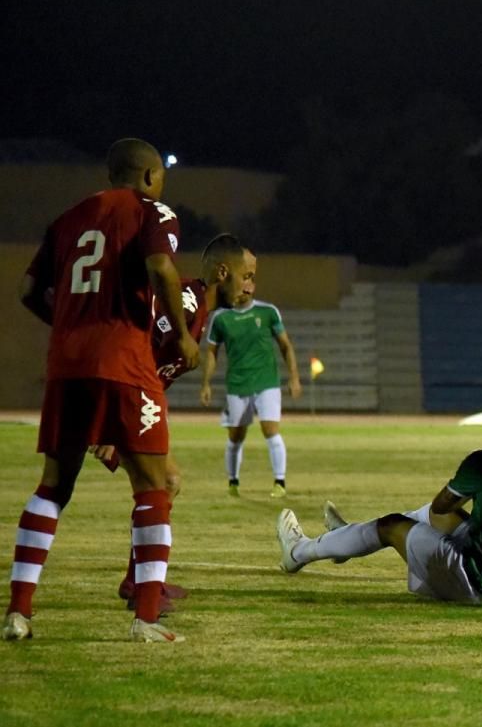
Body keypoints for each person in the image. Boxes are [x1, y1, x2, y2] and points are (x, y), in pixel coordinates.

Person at [5, 138, 197, 643]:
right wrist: (181, 334)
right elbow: (160, 269)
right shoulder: (150, 211)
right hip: (126, 363)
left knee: (53, 486)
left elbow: (28, 292)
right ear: (151, 176)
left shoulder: (68, 217)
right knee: (153, 485)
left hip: (66, 365)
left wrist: (67, 323)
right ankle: (146, 619)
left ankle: (18, 612)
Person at [274, 395, 482, 604]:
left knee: (391, 526)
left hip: (478, 580)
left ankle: (299, 551)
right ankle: (344, 539)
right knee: (444, 521)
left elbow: (440, 506)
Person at [98, 233, 252, 614]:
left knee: (164, 483)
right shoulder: (186, 304)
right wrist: (106, 421)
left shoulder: (196, 307)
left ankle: (140, 580)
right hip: (120, 399)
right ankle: (142, 586)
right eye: (246, 276)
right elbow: (133, 349)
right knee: (164, 482)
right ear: (223, 272)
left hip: (134, 399)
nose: (250, 286)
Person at [199, 250, 302, 498]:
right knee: (236, 436)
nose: (245, 286)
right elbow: (211, 352)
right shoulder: (221, 318)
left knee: (271, 430)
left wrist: (294, 376)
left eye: (249, 281)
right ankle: (233, 482)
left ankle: (280, 482)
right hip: (237, 384)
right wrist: (206, 383)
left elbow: (286, 345)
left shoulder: (268, 313)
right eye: (241, 281)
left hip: (267, 382)